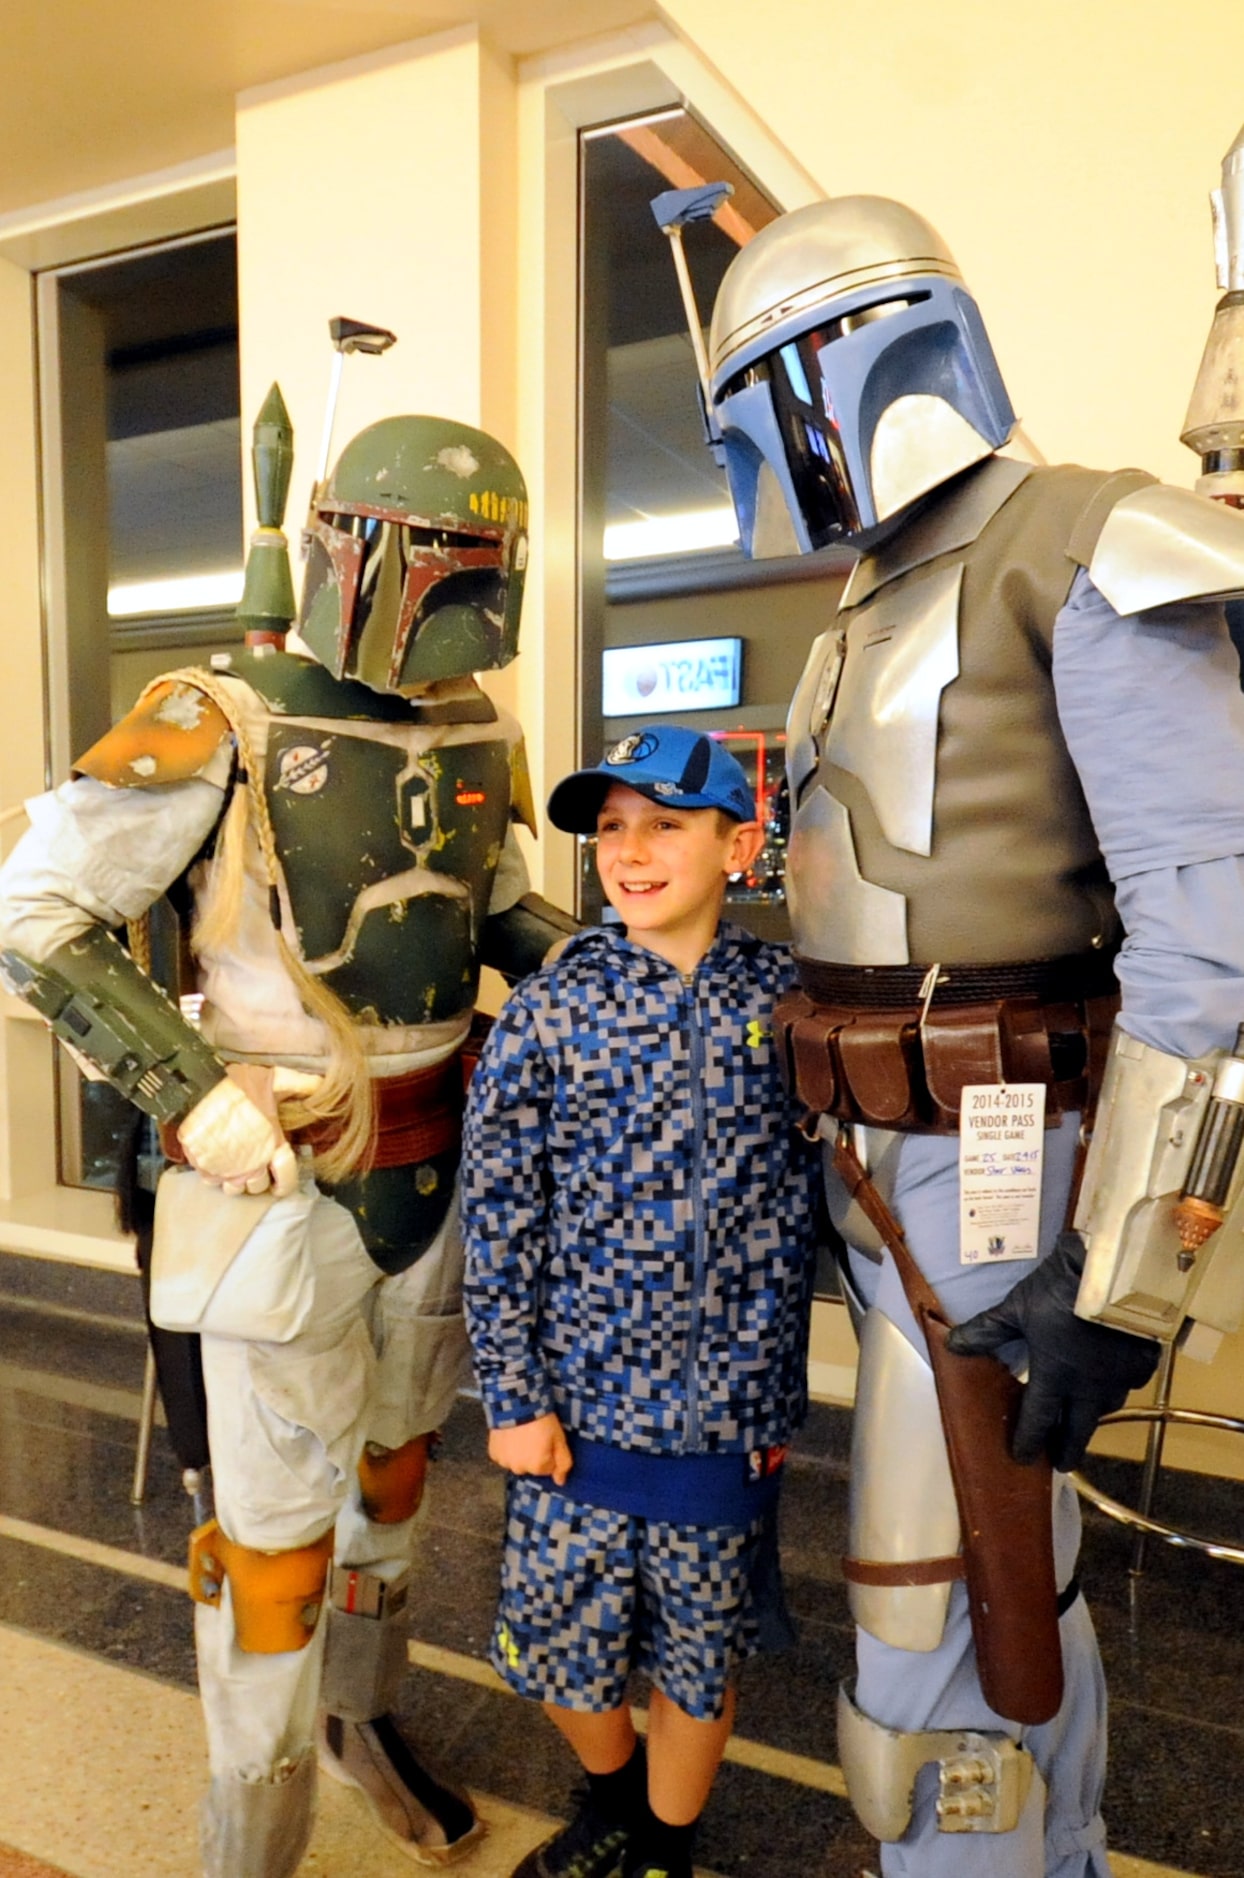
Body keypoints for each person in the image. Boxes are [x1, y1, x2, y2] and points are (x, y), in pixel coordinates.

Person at [656, 192, 1244, 1875]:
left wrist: (1123, 1274)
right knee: (1001, 1589)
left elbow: (1210, 946)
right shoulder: (871, 596)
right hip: (878, 1170)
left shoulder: (1078, 544)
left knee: (935, 1638)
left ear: (837, 370)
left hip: (1002, 1171)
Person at [0, 394, 576, 1878]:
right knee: (268, 1550)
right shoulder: (219, 720)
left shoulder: (474, 728)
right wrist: (190, 1087)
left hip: (437, 1178)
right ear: (354, 550)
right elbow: (37, 915)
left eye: (485, 560)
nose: (464, 591)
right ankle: (249, 1839)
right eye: (436, 555)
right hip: (278, 1181)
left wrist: (636, 982)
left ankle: (362, 1718)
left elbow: (490, 907)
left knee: (394, 1489)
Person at [460, 724, 820, 1878]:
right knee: (562, 1651)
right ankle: (610, 1799)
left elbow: (840, 1194)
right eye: (611, 828)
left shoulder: (791, 1005)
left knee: (693, 1657)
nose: (631, 850)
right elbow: (501, 1218)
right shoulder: (552, 1007)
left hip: (725, 1418)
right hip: (578, 1410)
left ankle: (664, 1844)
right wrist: (512, 1397)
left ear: (737, 844)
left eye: (664, 824)